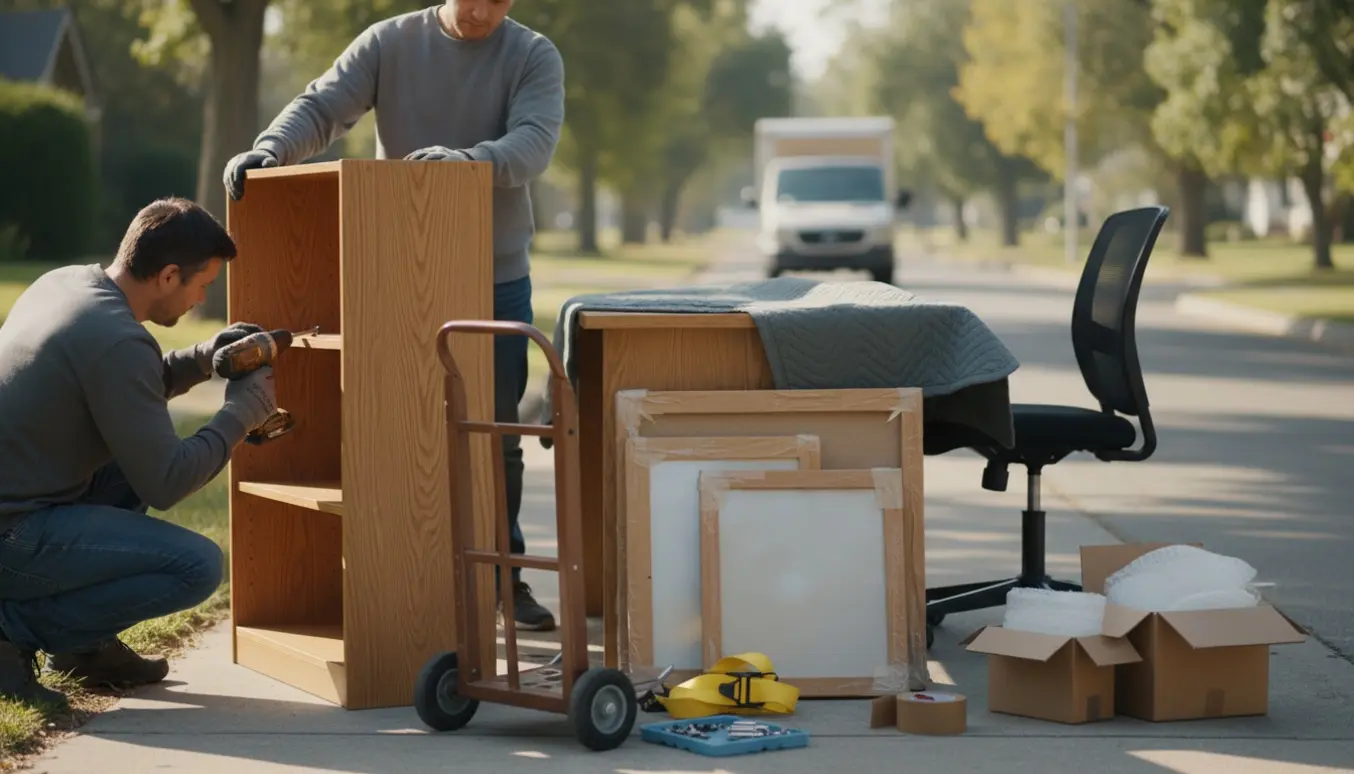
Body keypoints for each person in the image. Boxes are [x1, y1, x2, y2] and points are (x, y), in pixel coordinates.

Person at [224, 0, 565, 632]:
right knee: (401, 426)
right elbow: (322, 107)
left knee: (497, 436)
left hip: (493, 274)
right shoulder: (389, 42)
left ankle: (504, 578)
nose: (484, 10)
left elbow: (534, 143)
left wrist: (467, 163)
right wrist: (270, 150)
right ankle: (407, 579)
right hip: (401, 271)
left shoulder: (532, 54)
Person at [0, 198, 279, 706]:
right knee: (196, 566)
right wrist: (242, 413)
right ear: (169, 276)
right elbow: (167, 482)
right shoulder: (117, 339)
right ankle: (11, 629)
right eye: (202, 284)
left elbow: (127, 386)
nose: (202, 298)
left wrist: (205, 357)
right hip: (12, 535)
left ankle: (82, 648)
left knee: (133, 459)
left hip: (22, 503)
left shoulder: (66, 285)